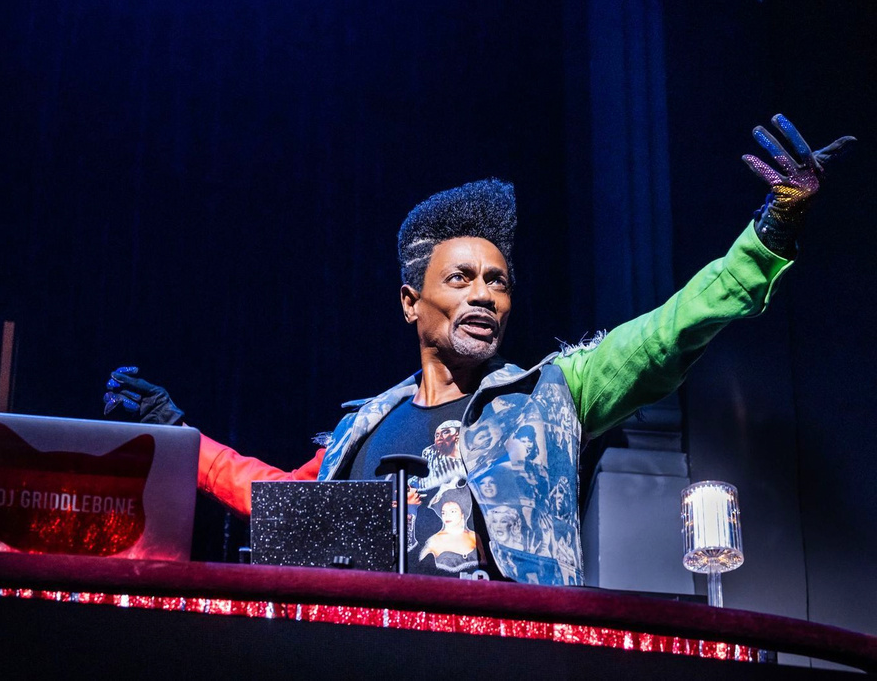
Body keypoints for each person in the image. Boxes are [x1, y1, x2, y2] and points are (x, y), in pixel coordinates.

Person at [104, 115, 853, 584]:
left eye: (497, 282)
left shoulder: (557, 392)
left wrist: (771, 232)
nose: (484, 295)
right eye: (460, 278)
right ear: (411, 301)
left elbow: (669, 330)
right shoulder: (364, 427)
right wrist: (182, 439)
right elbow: (275, 499)